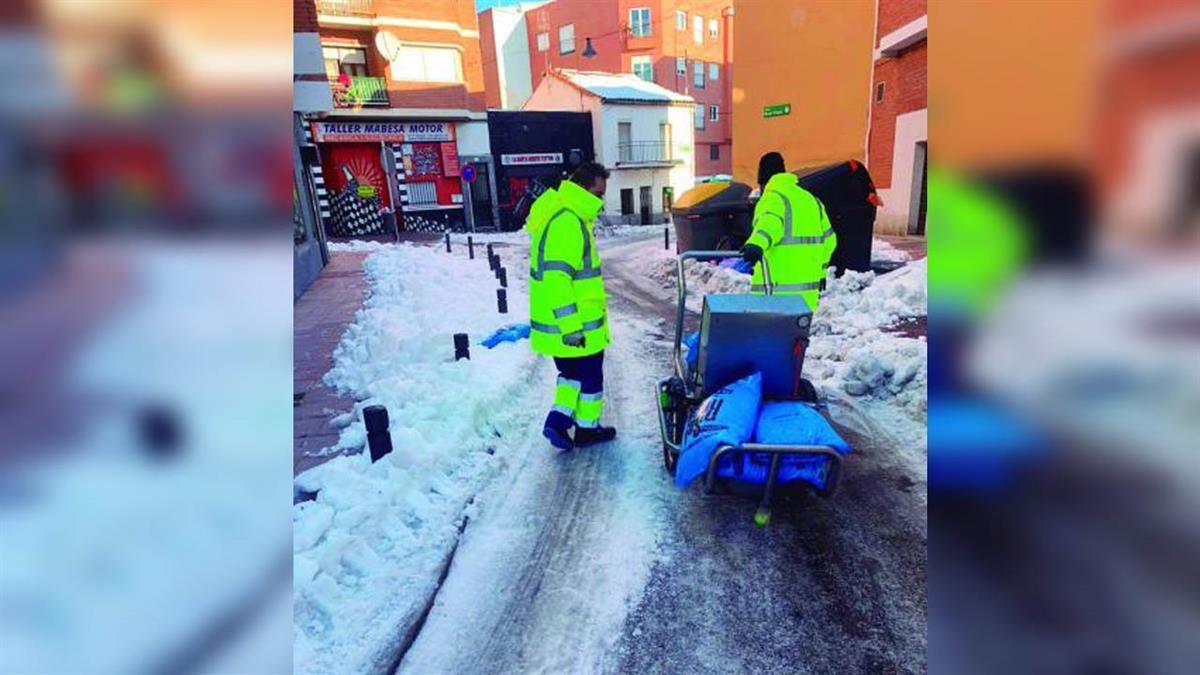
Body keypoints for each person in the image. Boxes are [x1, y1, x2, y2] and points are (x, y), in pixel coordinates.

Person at [525, 162, 617, 451]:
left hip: (564, 327)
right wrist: (571, 328)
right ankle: (576, 427)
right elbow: (557, 279)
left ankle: (561, 423)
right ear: (582, 188)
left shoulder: (561, 214)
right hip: (576, 327)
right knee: (588, 379)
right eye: (598, 193)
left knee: (572, 376)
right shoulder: (568, 222)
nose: (601, 201)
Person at [740, 152, 838, 311]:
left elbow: (769, 223)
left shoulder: (773, 197)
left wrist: (755, 245)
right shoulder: (812, 200)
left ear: (763, 181)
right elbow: (829, 241)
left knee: (767, 335)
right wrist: (820, 273)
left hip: (775, 292)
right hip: (807, 294)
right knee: (796, 334)